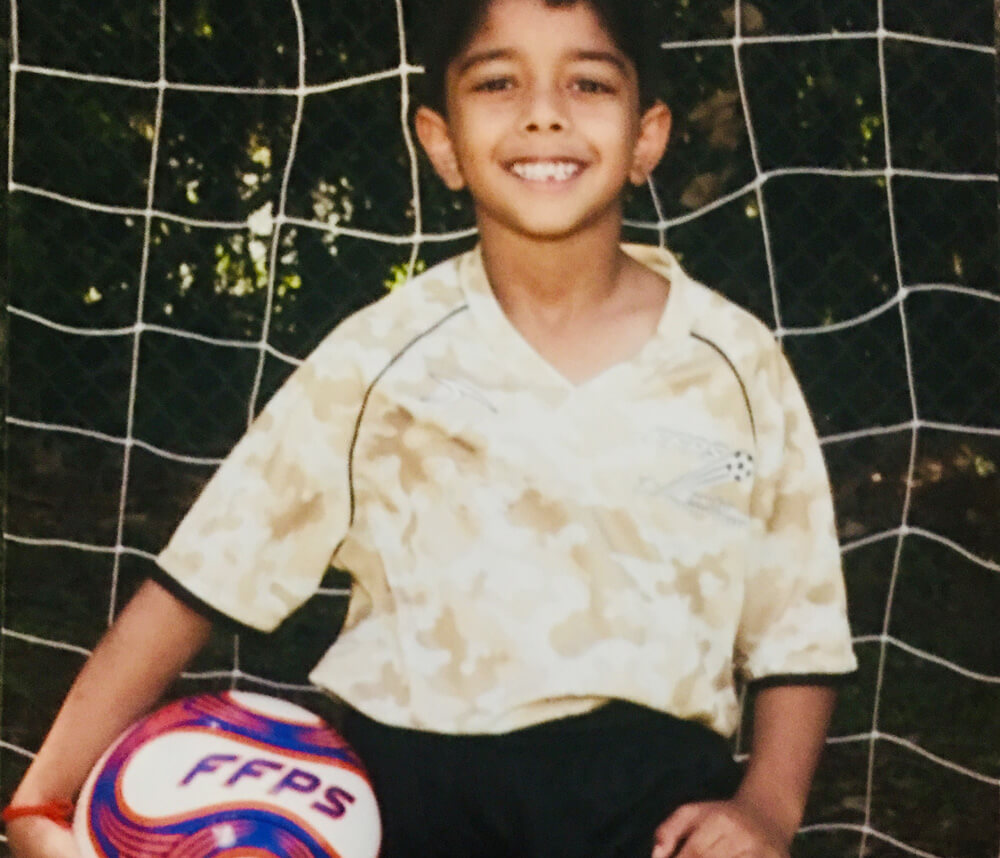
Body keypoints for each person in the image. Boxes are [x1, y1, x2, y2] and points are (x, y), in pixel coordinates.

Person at [4, 1, 857, 856]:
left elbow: (798, 630)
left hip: (653, 813)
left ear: (647, 136)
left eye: (588, 81)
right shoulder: (378, 359)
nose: (544, 111)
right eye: (498, 82)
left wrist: (768, 808)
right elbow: (201, 579)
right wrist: (41, 800)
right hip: (410, 805)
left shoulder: (735, 362)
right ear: (441, 141)